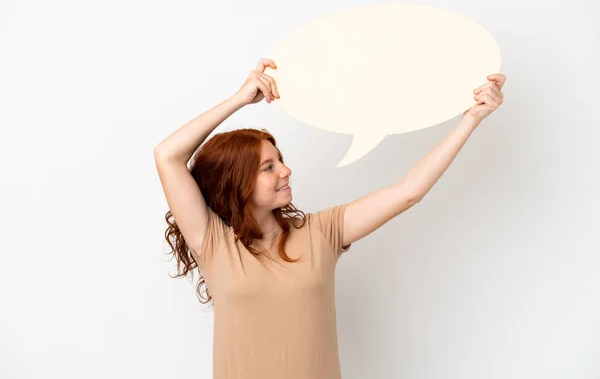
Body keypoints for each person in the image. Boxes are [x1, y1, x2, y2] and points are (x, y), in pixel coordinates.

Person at [154, 58, 506, 379]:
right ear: (237, 182)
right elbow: (167, 155)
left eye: (281, 159)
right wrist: (239, 99)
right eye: (269, 167)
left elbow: (408, 191)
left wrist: (471, 118)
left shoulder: (321, 231)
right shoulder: (213, 243)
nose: (286, 170)